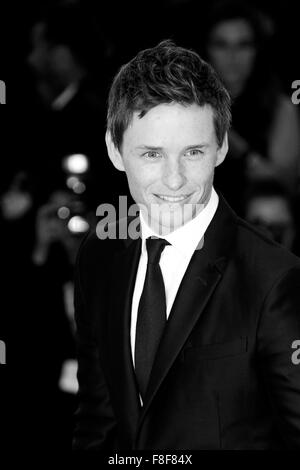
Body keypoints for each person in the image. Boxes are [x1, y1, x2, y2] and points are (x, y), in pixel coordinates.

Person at [73, 40, 300, 451]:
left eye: (193, 152)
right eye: (152, 154)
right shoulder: (100, 253)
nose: (174, 180)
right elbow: (98, 419)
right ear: (114, 150)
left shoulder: (275, 279)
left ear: (222, 147)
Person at [203, 1, 300, 214]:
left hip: (258, 229)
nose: (232, 56)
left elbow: (284, 185)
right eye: (222, 44)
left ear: (257, 51)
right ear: (206, 50)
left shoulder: (279, 107)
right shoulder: (189, 103)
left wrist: (234, 143)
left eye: (243, 45)